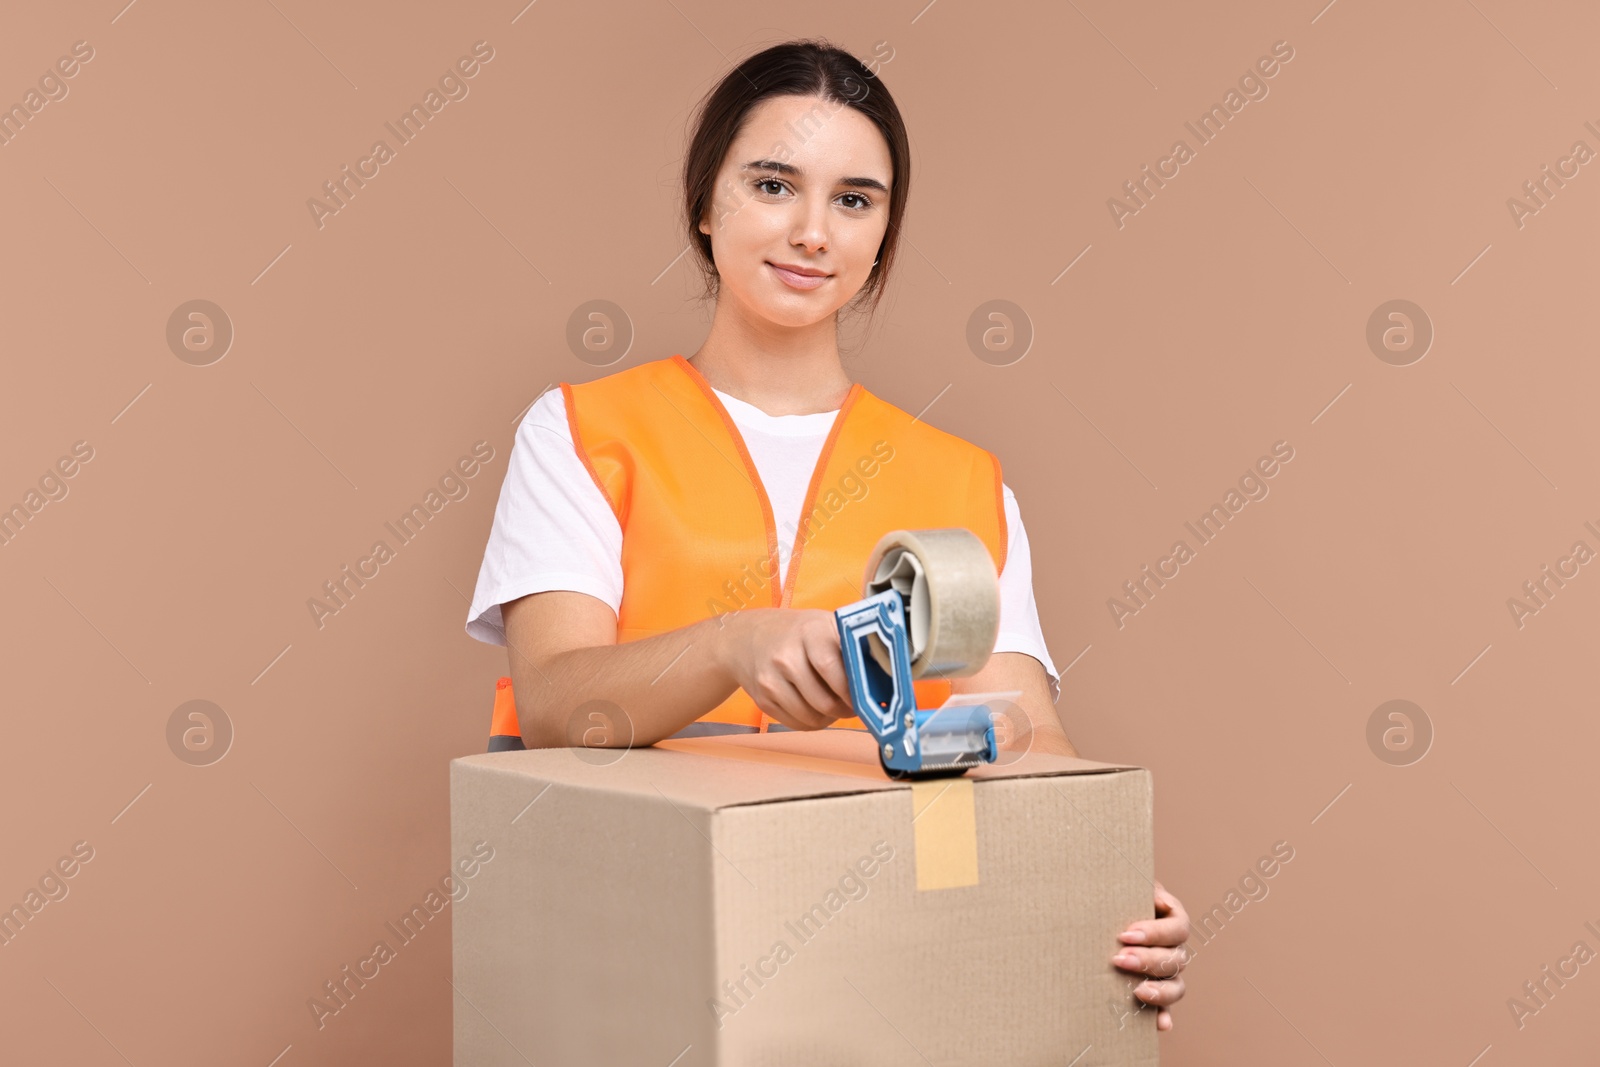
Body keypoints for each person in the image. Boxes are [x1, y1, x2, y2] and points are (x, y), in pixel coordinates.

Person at [464, 38, 1189, 1030]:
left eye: (855, 199)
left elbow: (1026, 738)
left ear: (883, 235)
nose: (812, 231)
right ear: (704, 204)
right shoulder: (582, 433)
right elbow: (555, 705)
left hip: (886, 957)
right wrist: (732, 642)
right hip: (628, 939)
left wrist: (1110, 878)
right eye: (773, 185)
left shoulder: (961, 478)